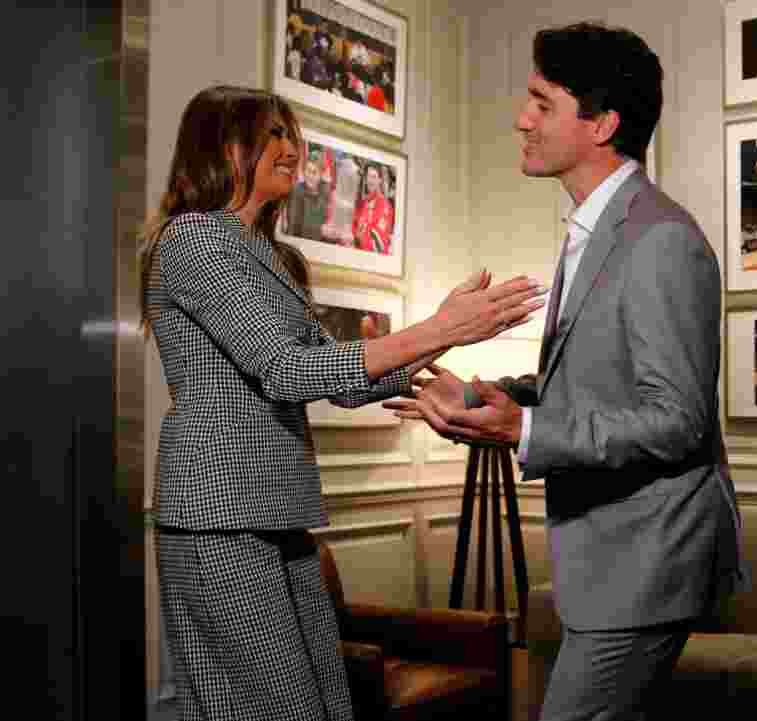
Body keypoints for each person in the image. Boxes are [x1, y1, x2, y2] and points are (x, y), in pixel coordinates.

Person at [137, 85, 546, 721]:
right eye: (270, 134)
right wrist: (442, 330)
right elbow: (285, 369)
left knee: (325, 701)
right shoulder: (193, 239)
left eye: (290, 134)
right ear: (223, 147)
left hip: (276, 508)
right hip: (218, 513)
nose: (290, 149)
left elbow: (342, 380)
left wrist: (439, 332)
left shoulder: (272, 256)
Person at [385, 22, 743, 721]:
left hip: (644, 566)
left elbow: (677, 419)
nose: (522, 119)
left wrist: (525, 425)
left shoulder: (660, 239)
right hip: (609, 568)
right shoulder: (599, 229)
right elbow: (592, 386)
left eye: (542, 103)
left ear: (602, 123)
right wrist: (494, 399)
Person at [351, 164, 395, 254]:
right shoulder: (362, 203)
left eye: (374, 177)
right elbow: (353, 225)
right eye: (368, 177)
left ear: (380, 180)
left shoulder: (385, 206)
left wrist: (358, 236)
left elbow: (378, 243)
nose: (370, 180)